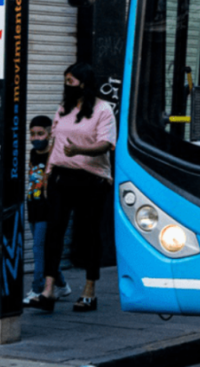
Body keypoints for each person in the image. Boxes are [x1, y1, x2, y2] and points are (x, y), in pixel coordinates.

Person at [28, 62, 116, 313]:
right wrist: (48, 174)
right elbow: (55, 142)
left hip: (91, 178)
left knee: (88, 234)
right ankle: (48, 290)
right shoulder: (63, 109)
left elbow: (105, 144)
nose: (66, 86)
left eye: (70, 81)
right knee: (54, 231)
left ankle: (90, 290)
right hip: (61, 177)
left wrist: (79, 150)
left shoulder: (103, 110)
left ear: (84, 83)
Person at [24, 115, 71, 305]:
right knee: (44, 250)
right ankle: (62, 285)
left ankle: (37, 289)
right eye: (32, 134)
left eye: (40, 133)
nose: (36, 138)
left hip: (47, 208)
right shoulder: (33, 154)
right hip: (32, 206)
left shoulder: (54, 154)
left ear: (50, 133)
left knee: (38, 249)